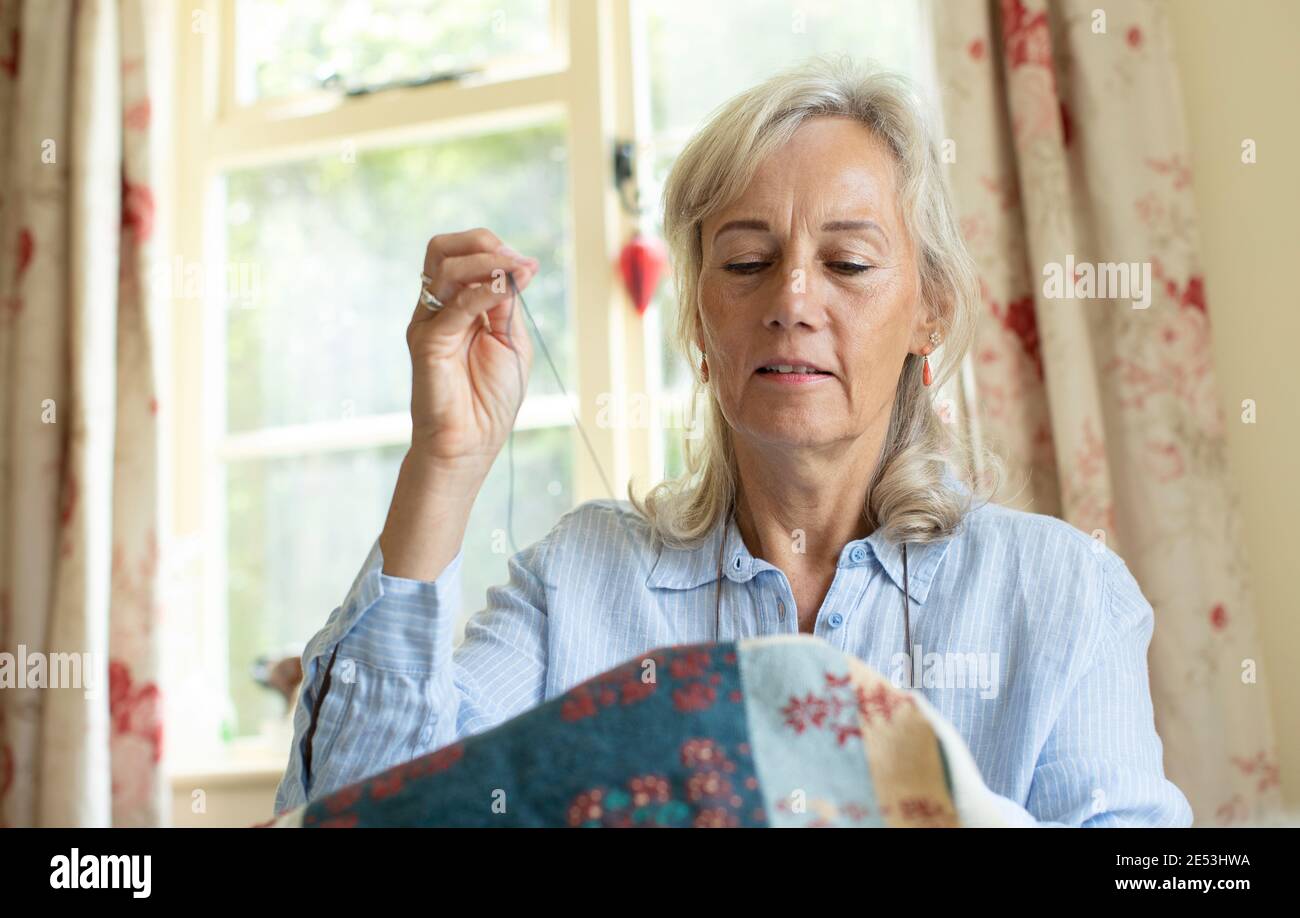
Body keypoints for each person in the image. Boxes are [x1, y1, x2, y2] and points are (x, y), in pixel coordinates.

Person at [273, 56, 1193, 827]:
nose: (792, 300)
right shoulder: (579, 582)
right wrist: (445, 461)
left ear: (931, 312)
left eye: (848, 263)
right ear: (700, 324)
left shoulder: (1065, 596)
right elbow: (367, 813)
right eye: (747, 263)